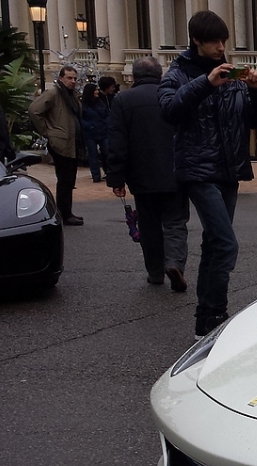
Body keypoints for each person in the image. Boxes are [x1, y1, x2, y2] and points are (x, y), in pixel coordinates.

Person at [159, 10, 257, 337]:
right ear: (197, 40)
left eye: (224, 40)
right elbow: (169, 110)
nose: (221, 47)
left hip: (229, 169)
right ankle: (217, 315)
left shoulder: (232, 74)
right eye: (214, 41)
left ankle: (205, 323)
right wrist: (206, 83)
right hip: (197, 170)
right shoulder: (179, 73)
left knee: (213, 244)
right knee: (225, 244)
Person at [107, 56, 191, 291]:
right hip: (175, 171)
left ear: (133, 77)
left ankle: (155, 272)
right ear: (160, 75)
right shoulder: (173, 96)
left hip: (141, 175)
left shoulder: (122, 100)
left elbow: (117, 141)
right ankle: (175, 263)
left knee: (149, 225)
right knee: (175, 223)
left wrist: (116, 177)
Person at [29, 66, 84, 226]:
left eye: (74, 78)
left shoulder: (71, 95)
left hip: (71, 142)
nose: (72, 81)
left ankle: (66, 212)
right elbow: (34, 110)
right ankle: (64, 214)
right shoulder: (54, 93)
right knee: (65, 180)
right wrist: (47, 131)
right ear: (61, 78)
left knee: (69, 180)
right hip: (60, 142)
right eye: (69, 78)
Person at [80, 82, 109, 183]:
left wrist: (106, 124)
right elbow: (80, 119)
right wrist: (88, 126)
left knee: (108, 152)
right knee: (93, 155)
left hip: (103, 131)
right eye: (95, 90)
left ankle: (109, 173)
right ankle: (96, 175)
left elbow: (106, 114)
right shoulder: (83, 105)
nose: (97, 92)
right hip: (90, 133)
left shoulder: (100, 102)